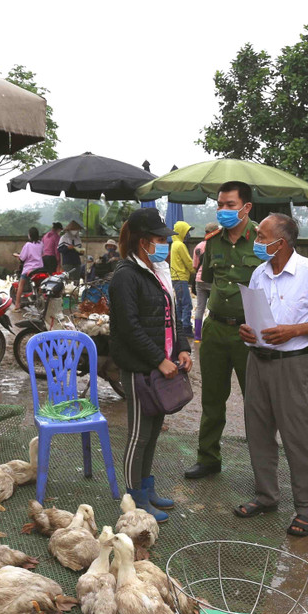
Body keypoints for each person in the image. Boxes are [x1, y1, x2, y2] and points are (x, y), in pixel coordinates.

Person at [236, 214, 308, 537]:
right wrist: (247, 332)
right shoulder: (259, 273)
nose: (256, 238)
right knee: (258, 431)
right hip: (257, 361)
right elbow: (254, 316)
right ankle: (267, 496)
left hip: (292, 365)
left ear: (280, 242)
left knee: (298, 437)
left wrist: (295, 330)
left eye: (261, 235)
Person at [109, 207, 192, 523]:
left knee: (154, 431)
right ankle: (133, 498)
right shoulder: (126, 276)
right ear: (143, 242)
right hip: (140, 367)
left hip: (162, 364)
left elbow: (172, 317)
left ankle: (146, 488)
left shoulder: (157, 272)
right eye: (160, 239)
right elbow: (129, 327)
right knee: (138, 435)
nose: (165, 244)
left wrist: (181, 349)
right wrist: (158, 360)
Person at [184, 181, 262, 479]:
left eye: (230, 205)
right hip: (215, 328)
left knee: (255, 401)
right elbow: (209, 281)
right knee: (212, 398)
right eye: (220, 205)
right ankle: (208, 458)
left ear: (246, 207)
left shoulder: (262, 238)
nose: (223, 211)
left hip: (248, 332)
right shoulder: (213, 241)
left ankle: (261, 465)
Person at [190, 222, 218, 341]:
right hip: (213, 280)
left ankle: (197, 335)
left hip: (199, 280)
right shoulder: (217, 246)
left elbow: (195, 265)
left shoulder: (198, 246)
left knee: (200, 308)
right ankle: (211, 334)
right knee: (214, 308)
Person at [170, 220, 195, 338]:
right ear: (181, 232)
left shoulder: (174, 244)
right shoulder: (180, 245)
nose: (188, 235)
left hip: (175, 278)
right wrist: (197, 271)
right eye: (186, 232)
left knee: (179, 304)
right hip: (181, 278)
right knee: (187, 305)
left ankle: (179, 328)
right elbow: (189, 262)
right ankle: (186, 328)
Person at [13, 227, 43, 310]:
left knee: (21, 285)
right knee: (39, 285)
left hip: (29, 269)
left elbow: (22, 258)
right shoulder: (41, 244)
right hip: (40, 268)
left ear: (30, 235)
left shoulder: (28, 245)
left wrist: (17, 256)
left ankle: (17, 305)